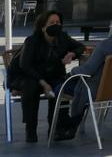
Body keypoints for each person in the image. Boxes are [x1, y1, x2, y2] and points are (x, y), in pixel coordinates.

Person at [55, 16, 112, 142]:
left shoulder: (104, 45)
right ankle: (72, 125)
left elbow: (87, 70)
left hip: (96, 90)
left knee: (60, 88)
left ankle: (68, 125)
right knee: (83, 86)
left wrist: (72, 72)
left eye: (111, 26)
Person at [14, 10, 86, 143]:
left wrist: (72, 54)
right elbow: (25, 66)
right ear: (43, 27)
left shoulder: (63, 37)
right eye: (52, 23)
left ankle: (55, 127)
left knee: (61, 86)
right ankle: (31, 129)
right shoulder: (32, 41)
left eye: (58, 22)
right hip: (33, 76)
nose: (56, 25)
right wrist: (43, 82)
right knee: (31, 88)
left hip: (54, 75)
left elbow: (81, 47)